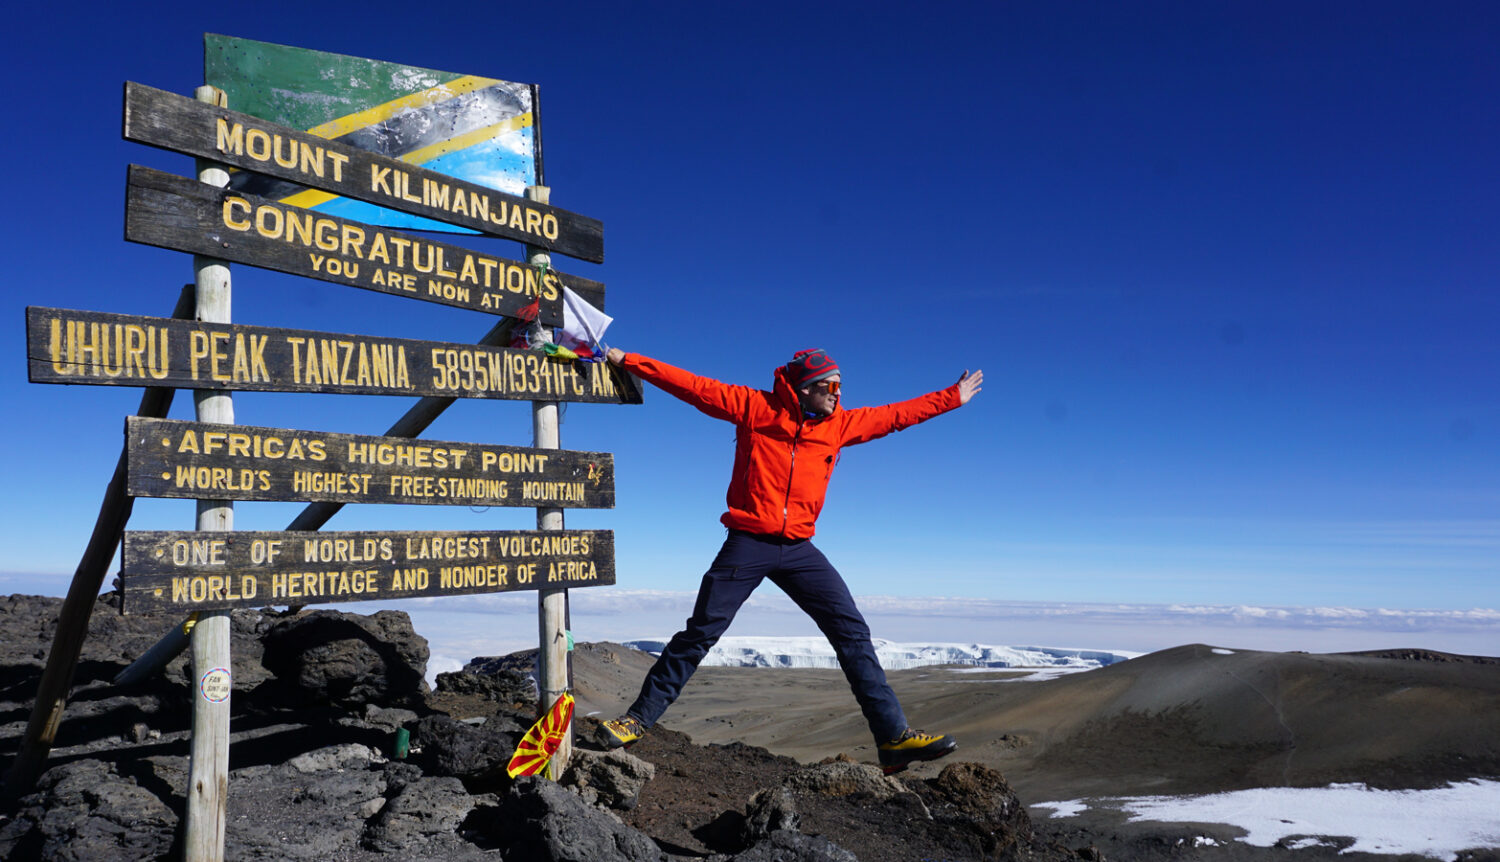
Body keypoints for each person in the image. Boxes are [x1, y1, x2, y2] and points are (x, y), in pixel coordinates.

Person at [595, 346, 984, 772]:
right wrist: (626, 360)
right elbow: (694, 387)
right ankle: (636, 720)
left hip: (799, 549)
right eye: (829, 386)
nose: (837, 394)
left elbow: (895, 415)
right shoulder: (754, 408)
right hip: (748, 542)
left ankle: (893, 739)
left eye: (840, 386)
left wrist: (952, 397)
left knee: (852, 631)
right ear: (803, 389)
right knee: (702, 631)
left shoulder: (838, 425)